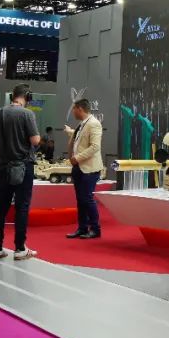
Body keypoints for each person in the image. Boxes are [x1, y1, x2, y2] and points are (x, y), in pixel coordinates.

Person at [0, 84, 42, 261]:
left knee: (1, 207)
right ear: (27, 97)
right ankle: (19, 248)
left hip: (2, 166)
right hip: (23, 167)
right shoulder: (27, 114)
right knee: (22, 206)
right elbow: (35, 140)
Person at [64, 99, 103, 239]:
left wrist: (77, 158)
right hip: (79, 167)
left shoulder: (94, 123)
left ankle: (95, 229)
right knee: (81, 200)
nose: (73, 112)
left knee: (87, 199)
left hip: (89, 168)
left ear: (80, 109)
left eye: (74, 109)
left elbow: (95, 146)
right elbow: (81, 140)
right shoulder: (83, 124)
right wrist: (70, 132)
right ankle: (82, 228)